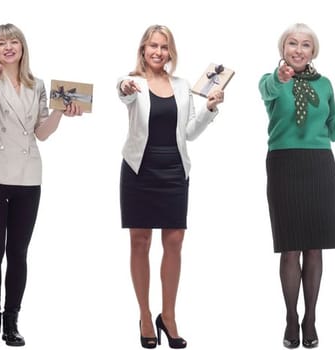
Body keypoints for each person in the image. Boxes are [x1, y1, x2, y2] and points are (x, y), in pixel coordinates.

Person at [0, 23, 82, 347]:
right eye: (1, 43)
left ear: (22, 46)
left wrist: (60, 112)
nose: (7, 47)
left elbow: (41, 132)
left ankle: (12, 323)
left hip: (28, 176)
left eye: (13, 41)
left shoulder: (38, 85)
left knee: (18, 252)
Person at [258, 23, 335, 349]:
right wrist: (279, 78)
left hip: (319, 165)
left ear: (313, 51)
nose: (298, 49)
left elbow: (332, 131)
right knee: (291, 246)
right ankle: (291, 317)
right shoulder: (272, 80)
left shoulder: (325, 85)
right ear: (283, 50)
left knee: (315, 246)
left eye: (305, 45)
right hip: (284, 164)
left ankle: (311, 317)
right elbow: (269, 90)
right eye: (292, 43)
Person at [115, 24, 223, 349]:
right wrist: (123, 86)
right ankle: (145, 316)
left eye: (164, 46)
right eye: (152, 46)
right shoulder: (133, 82)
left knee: (174, 243)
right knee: (140, 242)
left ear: (170, 51)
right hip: (139, 170)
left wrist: (210, 108)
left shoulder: (182, 85)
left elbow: (189, 132)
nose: (158, 52)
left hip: (175, 171)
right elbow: (121, 92)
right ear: (143, 50)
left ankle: (169, 315)